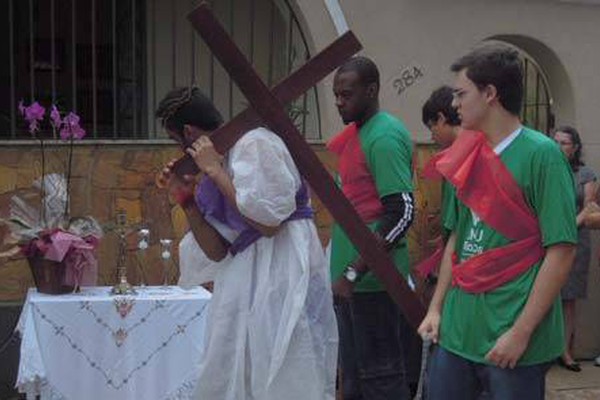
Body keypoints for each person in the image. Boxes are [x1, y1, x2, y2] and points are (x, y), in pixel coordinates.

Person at [155, 87, 338, 400]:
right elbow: (216, 250)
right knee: (231, 372)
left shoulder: (255, 143)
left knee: (286, 370)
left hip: (283, 272)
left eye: (176, 141)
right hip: (242, 285)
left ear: (188, 132)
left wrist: (213, 169)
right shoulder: (219, 162)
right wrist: (186, 200)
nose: (179, 150)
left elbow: (268, 222)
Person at [418, 44, 577, 400]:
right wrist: (436, 308)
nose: (455, 104)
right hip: (458, 330)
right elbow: (456, 238)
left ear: (490, 93)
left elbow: (561, 250)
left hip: (511, 336)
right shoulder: (466, 152)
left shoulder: (543, 156)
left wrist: (520, 332)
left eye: (461, 94)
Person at [328, 56, 415, 399]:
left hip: (375, 287)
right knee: (354, 384)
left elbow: (402, 214)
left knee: (381, 382)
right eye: (336, 94)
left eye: (346, 94)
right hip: (352, 289)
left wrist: (353, 273)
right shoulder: (358, 135)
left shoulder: (384, 137)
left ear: (372, 90)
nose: (338, 102)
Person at [553, 125, 598, 372]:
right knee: (547, 296)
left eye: (564, 143)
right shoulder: (547, 168)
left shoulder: (585, 174)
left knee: (569, 300)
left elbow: (590, 207)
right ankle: (546, 349)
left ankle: (565, 350)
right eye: (555, 141)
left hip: (576, 242)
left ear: (575, 147)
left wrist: (570, 226)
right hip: (548, 240)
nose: (559, 146)